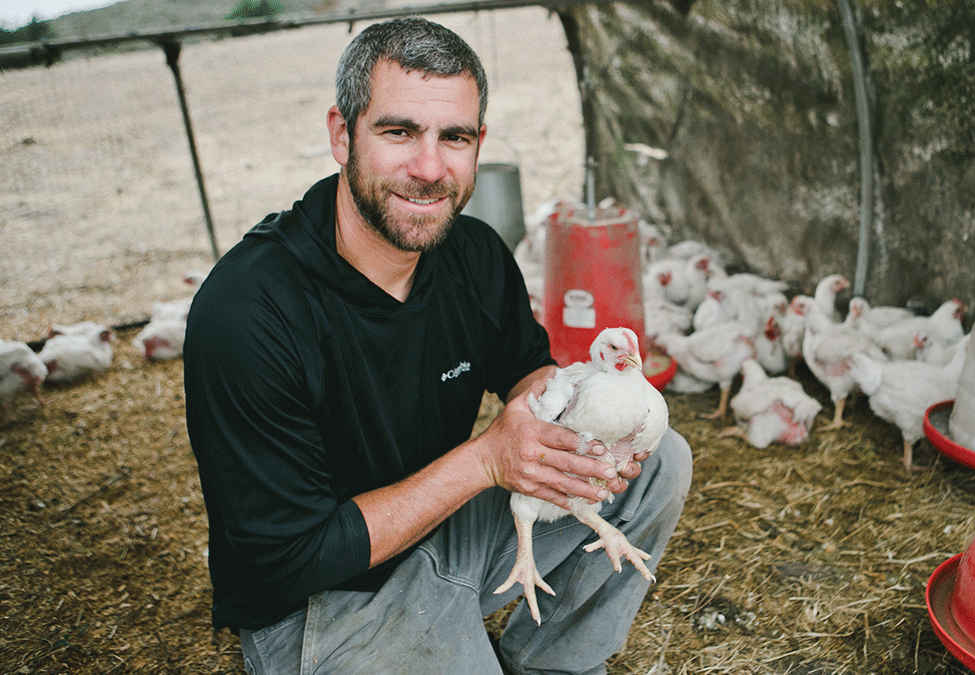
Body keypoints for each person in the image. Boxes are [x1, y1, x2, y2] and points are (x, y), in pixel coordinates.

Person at [183, 16, 692, 675]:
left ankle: (554, 662)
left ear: (479, 143)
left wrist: (580, 430)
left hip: (445, 530)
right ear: (343, 135)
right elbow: (292, 554)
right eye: (399, 131)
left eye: (453, 137)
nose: (429, 168)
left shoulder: (475, 254)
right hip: (322, 601)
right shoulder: (247, 310)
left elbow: (529, 374)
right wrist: (487, 461)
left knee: (659, 459)